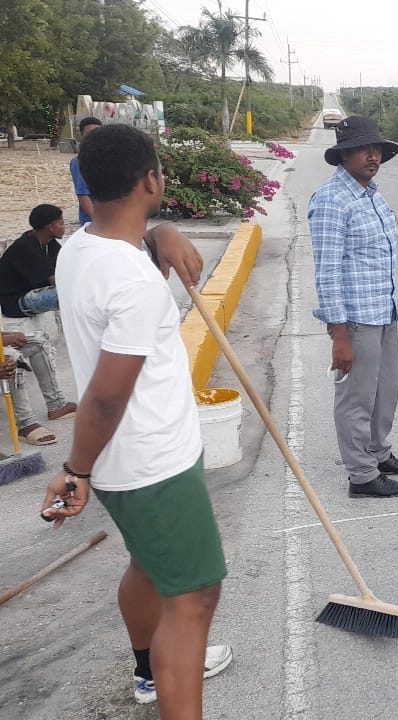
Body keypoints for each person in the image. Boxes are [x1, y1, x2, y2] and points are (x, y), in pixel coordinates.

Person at [39, 123, 233, 718]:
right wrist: (76, 469)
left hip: (136, 463)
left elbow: (129, 244)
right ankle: (169, 681)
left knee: (149, 564)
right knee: (194, 596)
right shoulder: (132, 282)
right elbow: (103, 397)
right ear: (152, 179)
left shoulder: (80, 247)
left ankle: (150, 673)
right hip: (151, 462)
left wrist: (164, 233)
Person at [310, 116, 398, 499]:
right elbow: (326, 272)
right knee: (357, 398)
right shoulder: (331, 200)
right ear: (344, 155)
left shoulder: (371, 193)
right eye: (363, 149)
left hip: (383, 310)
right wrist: (338, 333)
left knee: (386, 389)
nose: (372, 156)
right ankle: (361, 475)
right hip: (356, 320)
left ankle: (377, 452)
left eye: (376, 150)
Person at [0, 204, 78, 424]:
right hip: (16, 303)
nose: (64, 226)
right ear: (51, 226)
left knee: (70, 292)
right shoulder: (25, 247)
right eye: (61, 223)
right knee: (65, 294)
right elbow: (56, 281)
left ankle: (56, 405)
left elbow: (64, 273)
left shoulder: (51, 245)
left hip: (34, 296)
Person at [70, 116, 102, 228]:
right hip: (95, 222)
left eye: (98, 132)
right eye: (90, 133)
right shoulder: (79, 161)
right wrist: (98, 222)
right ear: (82, 136)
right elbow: (83, 194)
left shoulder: (107, 158)